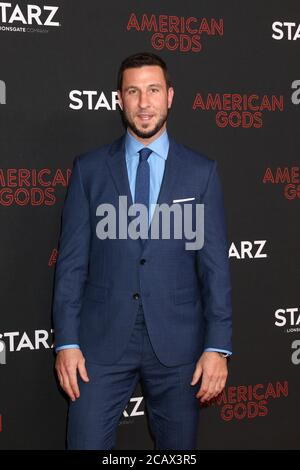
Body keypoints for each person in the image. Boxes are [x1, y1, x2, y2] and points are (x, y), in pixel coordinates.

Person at [52, 52, 232, 450]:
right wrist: (66, 342)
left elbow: (215, 267)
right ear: (120, 99)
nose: (144, 103)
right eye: (133, 91)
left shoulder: (202, 172)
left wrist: (217, 347)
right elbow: (70, 264)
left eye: (153, 90)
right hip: (101, 341)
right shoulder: (90, 169)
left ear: (170, 96)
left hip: (179, 344)